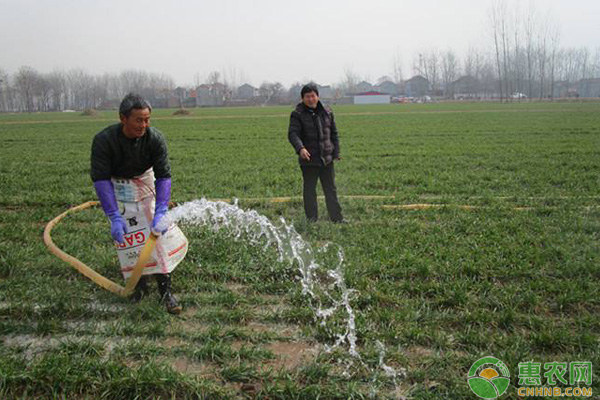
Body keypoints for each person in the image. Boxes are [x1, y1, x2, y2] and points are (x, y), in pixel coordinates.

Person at [91, 93, 188, 314]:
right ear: (123, 119)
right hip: (118, 187)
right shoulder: (104, 141)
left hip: (146, 183)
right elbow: (100, 179)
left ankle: (166, 291)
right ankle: (138, 286)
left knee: (156, 237)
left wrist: (162, 208)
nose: (143, 125)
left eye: (147, 119)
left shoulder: (155, 138)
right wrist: (114, 216)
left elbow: (163, 176)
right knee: (130, 240)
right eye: (138, 120)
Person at [288, 83, 345, 223]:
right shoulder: (297, 114)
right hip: (309, 160)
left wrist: (336, 152)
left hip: (326, 158)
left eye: (313, 96)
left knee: (330, 190)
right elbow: (293, 134)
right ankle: (312, 220)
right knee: (310, 191)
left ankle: (337, 218)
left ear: (318, 96)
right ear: (302, 98)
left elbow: (334, 134)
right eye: (307, 96)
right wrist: (301, 148)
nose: (311, 99)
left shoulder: (327, 112)